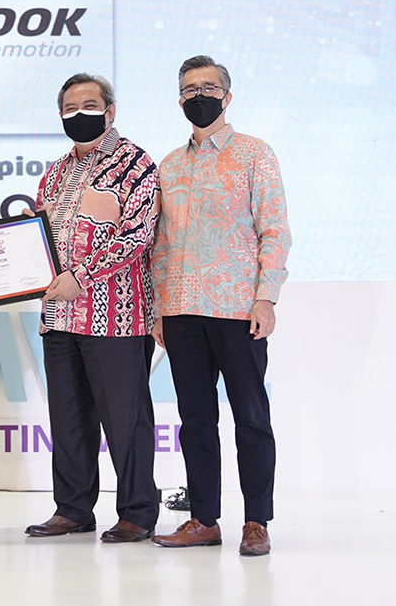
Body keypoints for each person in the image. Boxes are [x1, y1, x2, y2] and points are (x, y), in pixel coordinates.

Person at [151, 55, 291, 556]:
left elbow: (274, 231)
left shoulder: (255, 153)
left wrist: (266, 298)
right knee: (194, 421)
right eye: (189, 89)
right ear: (179, 100)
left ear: (227, 97)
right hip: (182, 311)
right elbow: (160, 244)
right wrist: (159, 309)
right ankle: (203, 519)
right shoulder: (169, 164)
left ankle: (256, 521)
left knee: (251, 418)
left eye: (209, 88)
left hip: (237, 309)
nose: (199, 96)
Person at [24, 74, 160, 543]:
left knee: (126, 420)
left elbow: (136, 235)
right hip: (59, 318)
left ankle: (138, 512)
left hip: (116, 317)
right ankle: (73, 509)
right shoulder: (55, 173)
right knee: (69, 420)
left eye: (89, 104)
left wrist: (79, 277)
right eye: (69, 107)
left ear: (110, 110)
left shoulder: (136, 164)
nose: (78, 113)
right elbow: (41, 238)